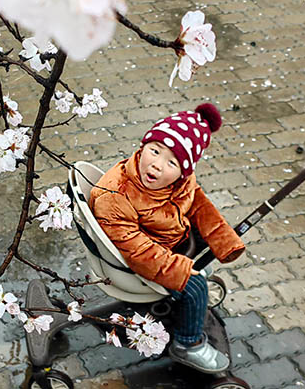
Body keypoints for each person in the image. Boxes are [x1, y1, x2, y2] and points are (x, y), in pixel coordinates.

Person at [88, 102, 245, 373]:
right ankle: (187, 344)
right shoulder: (117, 195)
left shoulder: (179, 182)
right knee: (194, 287)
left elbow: (197, 202)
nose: (157, 165)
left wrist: (224, 240)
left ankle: (190, 287)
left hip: (162, 239)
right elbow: (137, 251)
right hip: (135, 261)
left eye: (172, 162)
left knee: (200, 230)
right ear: (143, 146)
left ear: (184, 172)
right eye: (155, 150)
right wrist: (180, 271)